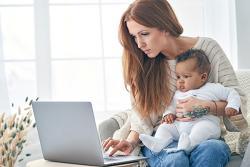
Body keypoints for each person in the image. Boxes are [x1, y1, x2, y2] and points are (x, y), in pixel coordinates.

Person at [103, 0, 247, 166]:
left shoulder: (208, 48)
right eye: (134, 37)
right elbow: (141, 116)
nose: (139, 44)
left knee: (212, 151)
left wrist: (208, 106)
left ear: (164, 26)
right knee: (175, 159)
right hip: (163, 138)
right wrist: (131, 142)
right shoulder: (142, 64)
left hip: (205, 135)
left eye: (144, 34)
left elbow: (238, 101)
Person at [139, 49, 240, 153]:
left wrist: (232, 106)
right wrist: (168, 114)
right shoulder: (178, 93)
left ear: (203, 77)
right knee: (165, 127)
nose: (180, 81)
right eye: (178, 77)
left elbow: (232, 93)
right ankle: (159, 142)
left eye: (186, 76)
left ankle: (190, 144)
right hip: (180, 127)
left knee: (203, 128)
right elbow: (171, 106)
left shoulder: (213, 88)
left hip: (203, 122)